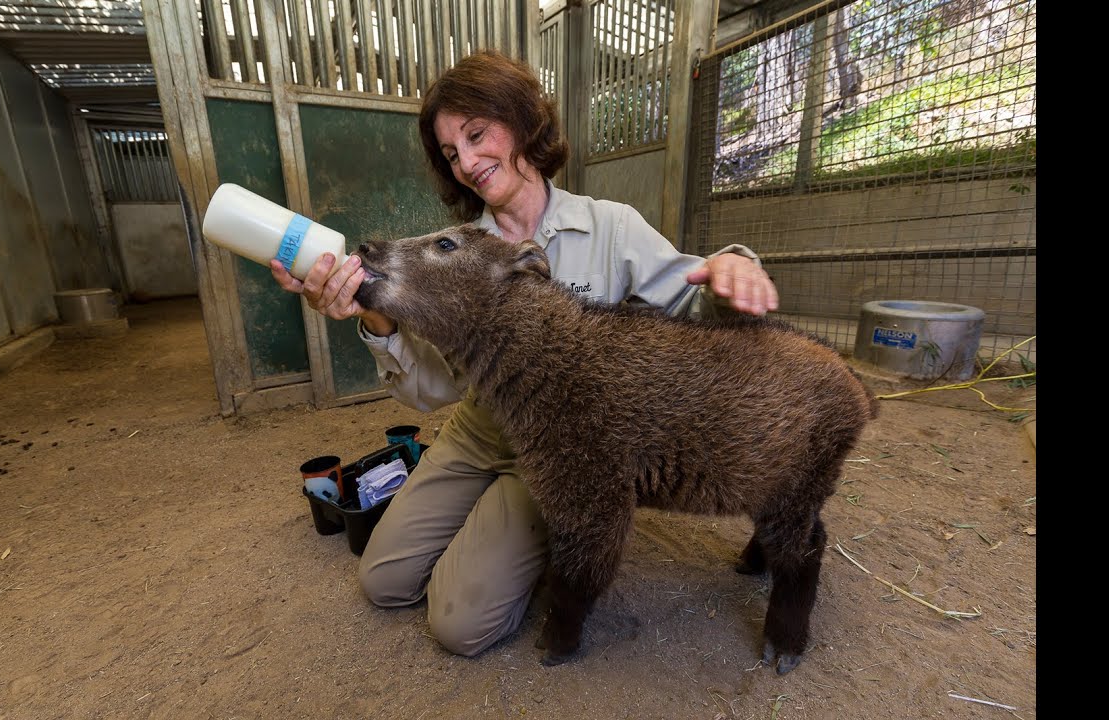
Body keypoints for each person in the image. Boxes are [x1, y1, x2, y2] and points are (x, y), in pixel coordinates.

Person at [270, 50, 779, 658]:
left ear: (525, 121)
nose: (467, 161)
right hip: (476, 429)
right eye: (451, 152)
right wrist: (373, 314)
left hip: (558, 445)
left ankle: (517, 545)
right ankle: (485, 529)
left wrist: (733, 268)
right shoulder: (457, 249)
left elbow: (698, 306)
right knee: (384, 582)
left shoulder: (611, 227)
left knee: (459, 626)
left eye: (477, 134)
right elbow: (430, 390)